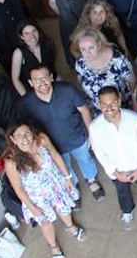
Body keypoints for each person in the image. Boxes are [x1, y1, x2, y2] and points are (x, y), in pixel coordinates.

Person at [17, 65, 105, 203]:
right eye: (37, 80)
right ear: (30, 83)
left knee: (85, 159)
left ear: (51, 77)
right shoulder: (25, 103)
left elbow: (84, 110)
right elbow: (24, 128)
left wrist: (91, 134)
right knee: (64, 167)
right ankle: (73, 186)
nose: (42, 83)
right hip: (52, 146)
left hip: (77, 137)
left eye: (45, 78)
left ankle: (91, 180)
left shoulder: (67, 90)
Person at [2, 123, 86, 258]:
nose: (25, 138)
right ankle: (53, 246)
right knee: (45, 222)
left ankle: (70, 226)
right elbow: (19, 189)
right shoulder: (11, 161)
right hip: (36, 197)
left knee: (64, 208)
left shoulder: (41, 139)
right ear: (13, 139)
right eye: (19, 136)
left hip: (56, 185)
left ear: (31, 131)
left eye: (27, 133)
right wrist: (32, 207)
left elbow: (56, 156)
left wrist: (68, 178)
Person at [89, 87, 137, 229]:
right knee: (122, 192)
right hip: (118, 171)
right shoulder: (95, 127)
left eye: (113, 103)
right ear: (99, 105)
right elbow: (100, 152)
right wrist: (114, 172)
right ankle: (127, 211)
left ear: (119, 101)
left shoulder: (134, 120)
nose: (109, 108)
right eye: (104, 104)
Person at [73, 28, 135, 111]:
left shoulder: (117, 59)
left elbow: (132, 81)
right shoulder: (80, 63)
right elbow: (80, 85)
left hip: (121, 108)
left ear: (99, 45)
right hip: (96, 109)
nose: (88, 53)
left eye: (91, 48)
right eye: (83, 49)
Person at [49, 0, 92, 68]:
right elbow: (58, 11)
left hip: (87, 24)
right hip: (69, 28)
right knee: (74, 52)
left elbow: (92, 2)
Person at [10, 19, 56, 97]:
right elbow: (15, 79)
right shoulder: (18, 53)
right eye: (27, 33)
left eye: (34, 31)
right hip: (32, 89)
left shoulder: (47, 44)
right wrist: (26, 97)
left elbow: (52, 67)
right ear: (22, 37)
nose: (32, 36)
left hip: (49, 83)